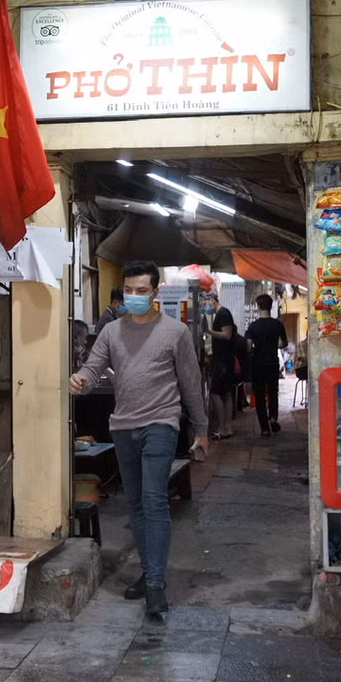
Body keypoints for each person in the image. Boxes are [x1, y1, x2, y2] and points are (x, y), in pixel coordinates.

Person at [69, 260, 208, 620]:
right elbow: (93, 366)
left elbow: (191, 385)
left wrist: (202, 430)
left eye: (141, 291)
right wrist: (81, 380)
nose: (133, 297)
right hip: (122, 427)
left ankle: (156, 586)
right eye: (128, 291)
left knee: (154, 500)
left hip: (161, 423)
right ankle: (149, 573)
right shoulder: (113, 332)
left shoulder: (175, 333)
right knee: (136, 505)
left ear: (155, 293)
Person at [245, 294, 289, 435]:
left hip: (258, 364)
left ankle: (264, 428)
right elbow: (284, 343)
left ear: (258, 307)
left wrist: (254, 349)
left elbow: (248, 346)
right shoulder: (277, 325)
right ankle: (273, 418)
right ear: (271, 307)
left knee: (259, 395)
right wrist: (274, 346)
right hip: (272, 362)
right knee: (273, 392)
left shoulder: (253, 326)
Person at [205, 293, 237, 439]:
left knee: (215, 393)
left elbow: (227, 334)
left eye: (207, 302)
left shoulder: (223, 313)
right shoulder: (221, 313)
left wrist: (208, 331)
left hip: (223, 360)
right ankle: (227, 427)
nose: (207, 306)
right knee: (226, 394)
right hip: (224, 359)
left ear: (212, 300)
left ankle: (222, 428)